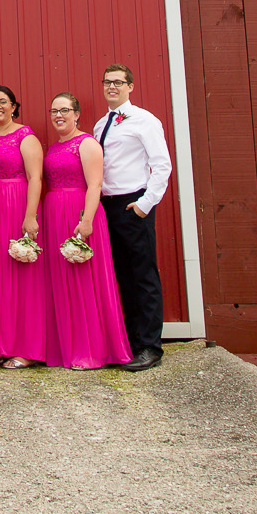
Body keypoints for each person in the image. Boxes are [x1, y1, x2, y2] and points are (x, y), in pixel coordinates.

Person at [40, 91, 132, 369]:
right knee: (61, 281)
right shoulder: (54, 147)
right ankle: (66, 346)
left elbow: (95, 184)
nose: (59, 115)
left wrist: (87, 220)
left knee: (84, 282)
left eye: (65, 110)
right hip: (54, 211)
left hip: (80, 213)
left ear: (77, 114)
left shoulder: (87, 144)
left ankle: (91, 350)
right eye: (54, 111)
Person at [96, 63, 172, 371]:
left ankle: (150, 346)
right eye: (107, 82)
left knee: (143, 275)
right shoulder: (101, 124)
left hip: (133, 205)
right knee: (123, 277)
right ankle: (130, 341)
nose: (111, 87)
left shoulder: (144, 120)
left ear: (130, 87)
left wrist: (145, 204)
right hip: (108, 206)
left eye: (118, 82)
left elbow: (162, 165)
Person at [0, 84, 49, 368]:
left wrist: (30, 216)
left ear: (14, 106)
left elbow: (36, 178)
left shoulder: (25, 136)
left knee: (20, 278)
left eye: (3, 101)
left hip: (15, 206)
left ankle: (25, 349)